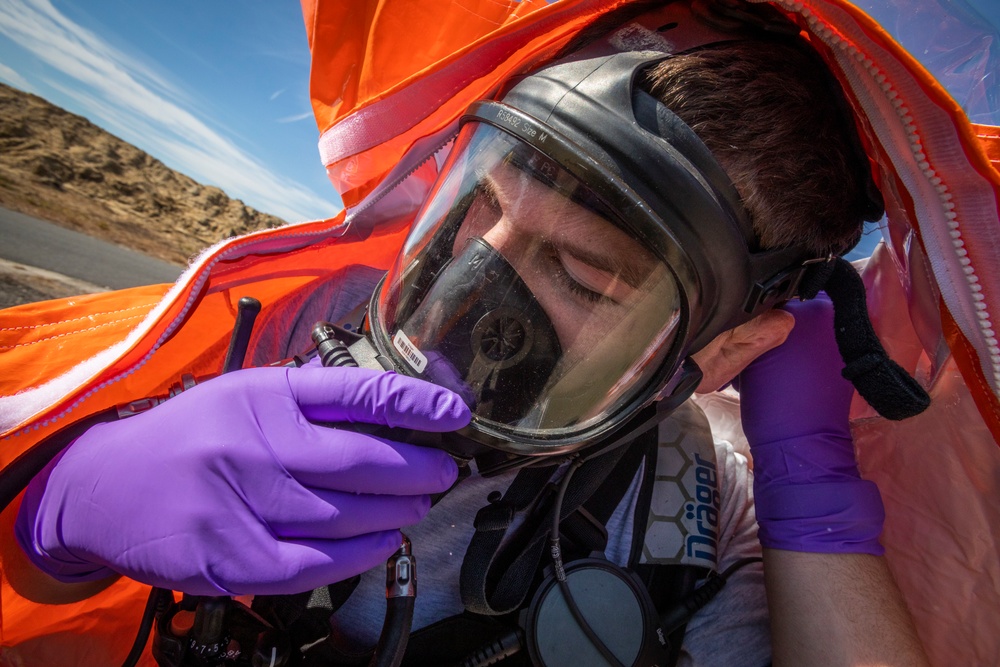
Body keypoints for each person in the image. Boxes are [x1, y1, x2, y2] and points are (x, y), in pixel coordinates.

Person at [3, 3, 934, 666]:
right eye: (478, 200)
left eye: (583, 275)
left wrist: (812, 488)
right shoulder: (275, 336)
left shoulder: (696, 508)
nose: (470, 277)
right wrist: (53, 522)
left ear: (726, 347)